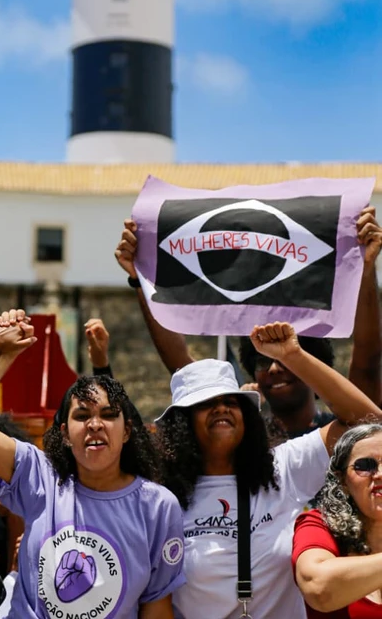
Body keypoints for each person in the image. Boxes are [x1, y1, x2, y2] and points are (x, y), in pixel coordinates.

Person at [0, 309, 186, 619]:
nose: (96, 425)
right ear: (64, 433)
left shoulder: (159, 506)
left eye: (109, 415)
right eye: (82, 416)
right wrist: (2, 354)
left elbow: (156, 606)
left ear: (127, 431)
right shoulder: (39, 475)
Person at [156, 321, 382, 619]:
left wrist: (293, 356)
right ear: (182, 423)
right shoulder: (163, 497)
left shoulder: (281, 468)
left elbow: (364, 425)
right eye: (206, 404)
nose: (222, 409)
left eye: (231, 401)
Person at [115, 208, 382, 437]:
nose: (275, 367)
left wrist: (366, 268)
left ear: (316, 364)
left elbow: (368, 360)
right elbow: (181, 365)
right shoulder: (246, 437)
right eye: (263, 360)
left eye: (289, 357)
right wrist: (142, 278)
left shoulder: (342, 430)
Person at [293, 422, 382, 616]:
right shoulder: (318, 524)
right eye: (366, 465)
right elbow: (319, 589)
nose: (380, 474)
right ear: (342, 480)